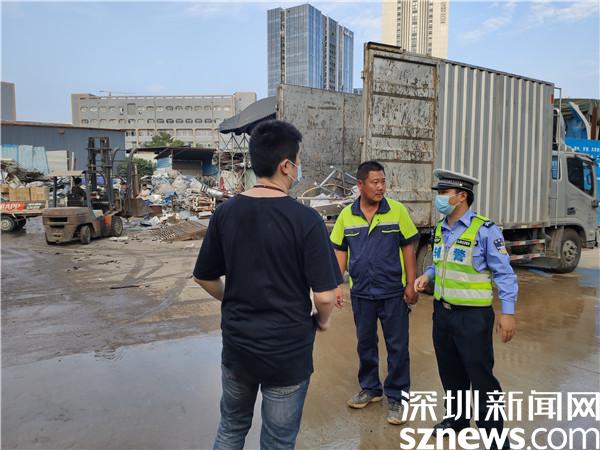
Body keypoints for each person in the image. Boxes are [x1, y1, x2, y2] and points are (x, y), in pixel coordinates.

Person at [193, 120, 341, 450]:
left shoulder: (225, 213)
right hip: (287, 352)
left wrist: (230, 298)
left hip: (238, 346)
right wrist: (323, 321)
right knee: (278, 441)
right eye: (298, 161)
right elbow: (325, 296)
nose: (299, 168)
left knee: (231, 428)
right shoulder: (306, 220)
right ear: (286, 166)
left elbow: (204, 276)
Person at [414, 169, 517, 450]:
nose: (439, 198)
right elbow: (440, 263)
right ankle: (457, 420)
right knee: (450, 373)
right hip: (443, 314)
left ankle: (494, 435)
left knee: (481, 377)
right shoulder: (440, 229)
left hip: (473, 318)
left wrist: (507, 312)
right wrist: (428, 276)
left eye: (443, 193)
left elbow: (504, 274)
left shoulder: (485, 230)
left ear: (462, 196)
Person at [329, 160, 419, 425]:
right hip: (362, 293)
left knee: (397, 346)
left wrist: (411, 284)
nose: (381, 187)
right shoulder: (347, 216)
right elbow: (340, 251)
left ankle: (398, 397)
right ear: (360, 185)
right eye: (375, 182)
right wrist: (336, 284)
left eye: (383, 182)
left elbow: (408, 249)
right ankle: (370, 388)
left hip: (392, 292)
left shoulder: (397, 211)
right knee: (365, 343)